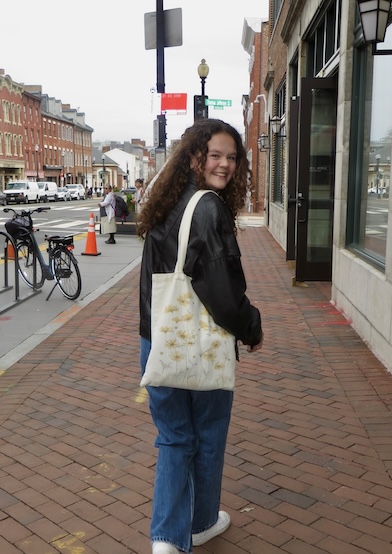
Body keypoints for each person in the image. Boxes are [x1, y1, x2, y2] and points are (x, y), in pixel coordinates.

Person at [137, 118, 264, 554]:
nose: (225, 165)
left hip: (157, 340)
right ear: (195, 156)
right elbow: (223, 293)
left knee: (174, 437)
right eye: (215, 155)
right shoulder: (208, 207)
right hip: (201, 345)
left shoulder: (165, 201)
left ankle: (165, 540)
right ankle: (200, 523)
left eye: (232, 157)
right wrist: (251, 327)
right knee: (207, 435)